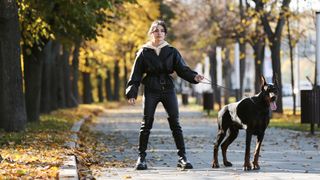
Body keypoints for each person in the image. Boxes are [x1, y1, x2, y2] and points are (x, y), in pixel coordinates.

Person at [126, 20, 204, 170]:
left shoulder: (172, 51)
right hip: (151, 88)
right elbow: (135, 74)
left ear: (165, 33)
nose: (158, 33)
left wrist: (194, 77)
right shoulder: (143, 52)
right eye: (155, 30)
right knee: (146, 123)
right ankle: (141, 158)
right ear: (151, 33)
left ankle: (182, 158)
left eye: (161, 30)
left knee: (175, 122)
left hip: (168, 88)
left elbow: (182, 69)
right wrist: (132, 92)